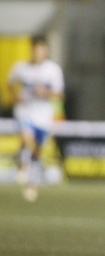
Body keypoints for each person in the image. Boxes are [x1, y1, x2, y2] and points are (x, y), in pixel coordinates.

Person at [8, 34, 64, 202]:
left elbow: (59, 93)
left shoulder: (53, 70)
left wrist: (45, 92)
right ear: (31, 49)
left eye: (41, 50)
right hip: (25, 110)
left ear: (45, 51)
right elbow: (9, 84)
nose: (38, 53)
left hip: (43, 115)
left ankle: (30, 182)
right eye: (35, 49)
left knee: (37, 150)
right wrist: (15, 97)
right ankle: (22, 163)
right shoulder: (20, 67)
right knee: (27, 136)